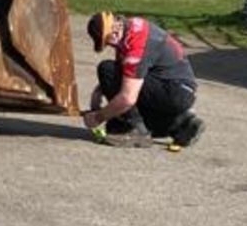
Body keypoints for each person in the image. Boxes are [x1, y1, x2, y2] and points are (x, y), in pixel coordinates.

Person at [82, 10, 205, 149]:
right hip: (179, 89)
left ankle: (135, 130)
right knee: (115, 124)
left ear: (115, 31)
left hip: (173, 89)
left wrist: (98, 117)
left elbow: (127, 98)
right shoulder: (132, 28)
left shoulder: (135, 45)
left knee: (106, 70)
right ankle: (180, 124)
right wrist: (99, 91)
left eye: (108, 40)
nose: (111, 44)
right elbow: (124, 72)